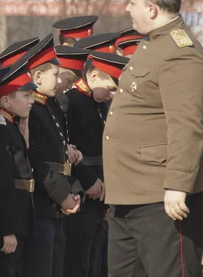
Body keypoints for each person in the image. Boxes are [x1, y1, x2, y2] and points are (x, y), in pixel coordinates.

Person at [103, 0, 203, 277]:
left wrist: (178, 185)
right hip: (129, 194)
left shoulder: (180, 52)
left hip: (161, 197)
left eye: (132, 3)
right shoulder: (153, 44)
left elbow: (186, 124)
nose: (126, 9)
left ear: (151, 9)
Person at [22, 34, 84, 277]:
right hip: (42, 203)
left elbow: (60, 159)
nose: (60, 81)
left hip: (56, 204)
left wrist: (72, 191)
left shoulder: (52, 106)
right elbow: (36, 161)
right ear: (37, 77)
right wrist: (62, 195)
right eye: (55, 75)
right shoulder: (32, 110)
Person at [64, 50, 129, 277]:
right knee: (78, 262)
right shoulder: (70, 102)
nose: (112, 95)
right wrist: (88, 180)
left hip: (102, 192)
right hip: (82, 191)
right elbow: (68, 149)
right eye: (110, 88)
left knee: (96, 261)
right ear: (93, 77)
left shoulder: (101, 105)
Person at [0, 59, 36, 277]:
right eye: (26, 96)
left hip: (20, 216)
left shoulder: (12, 127)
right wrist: (8, 229)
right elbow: (1, 183)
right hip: (6, 224)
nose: (31, 101)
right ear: (5, 100)